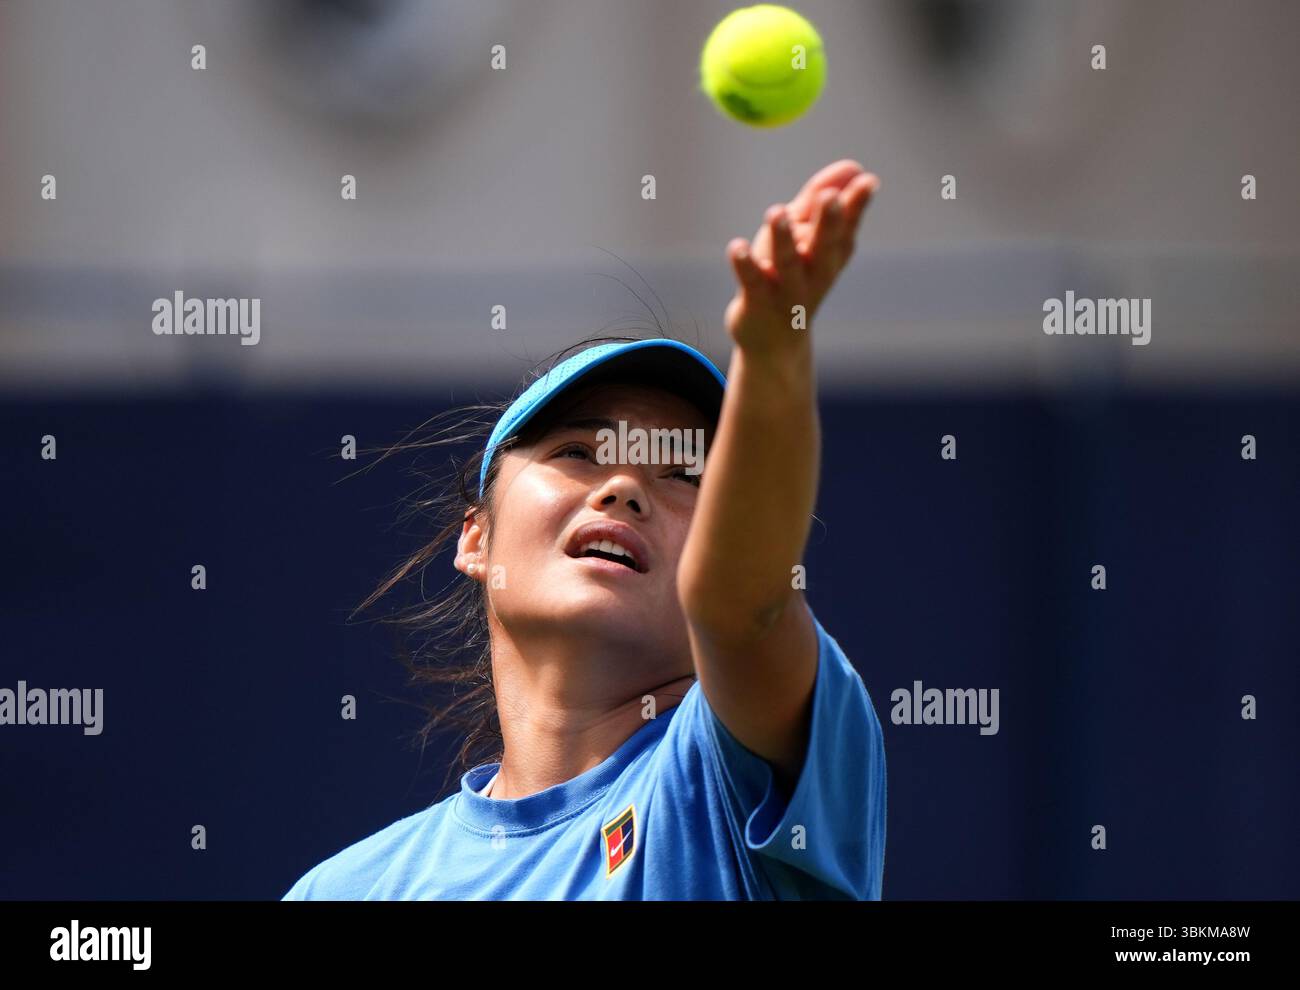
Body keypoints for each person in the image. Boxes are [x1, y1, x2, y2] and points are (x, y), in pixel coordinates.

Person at [283, 160, 886, 900]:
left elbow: (743, 604)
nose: (626, 486)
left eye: (684, 473)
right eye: (577, 452)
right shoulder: (342, 891)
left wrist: (774, 357)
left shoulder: (721, 786)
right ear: (476, 538)